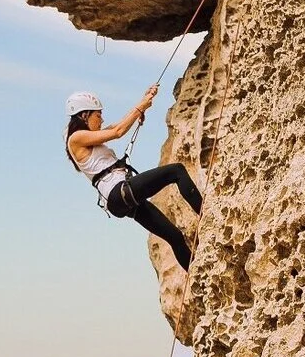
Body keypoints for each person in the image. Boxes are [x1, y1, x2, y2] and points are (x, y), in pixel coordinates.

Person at [65, 87, 203, 269]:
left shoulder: (89, 138)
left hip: (120, 200)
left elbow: (116, 126)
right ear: (84, 115)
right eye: (98, 115)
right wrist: (141, 106)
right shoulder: (76, 138)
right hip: (117, 192)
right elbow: (117, 132)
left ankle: (196, 279)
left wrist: (143, 102)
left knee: (175, 236)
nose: (102, 119)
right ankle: (205, 214)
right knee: (176, 171)